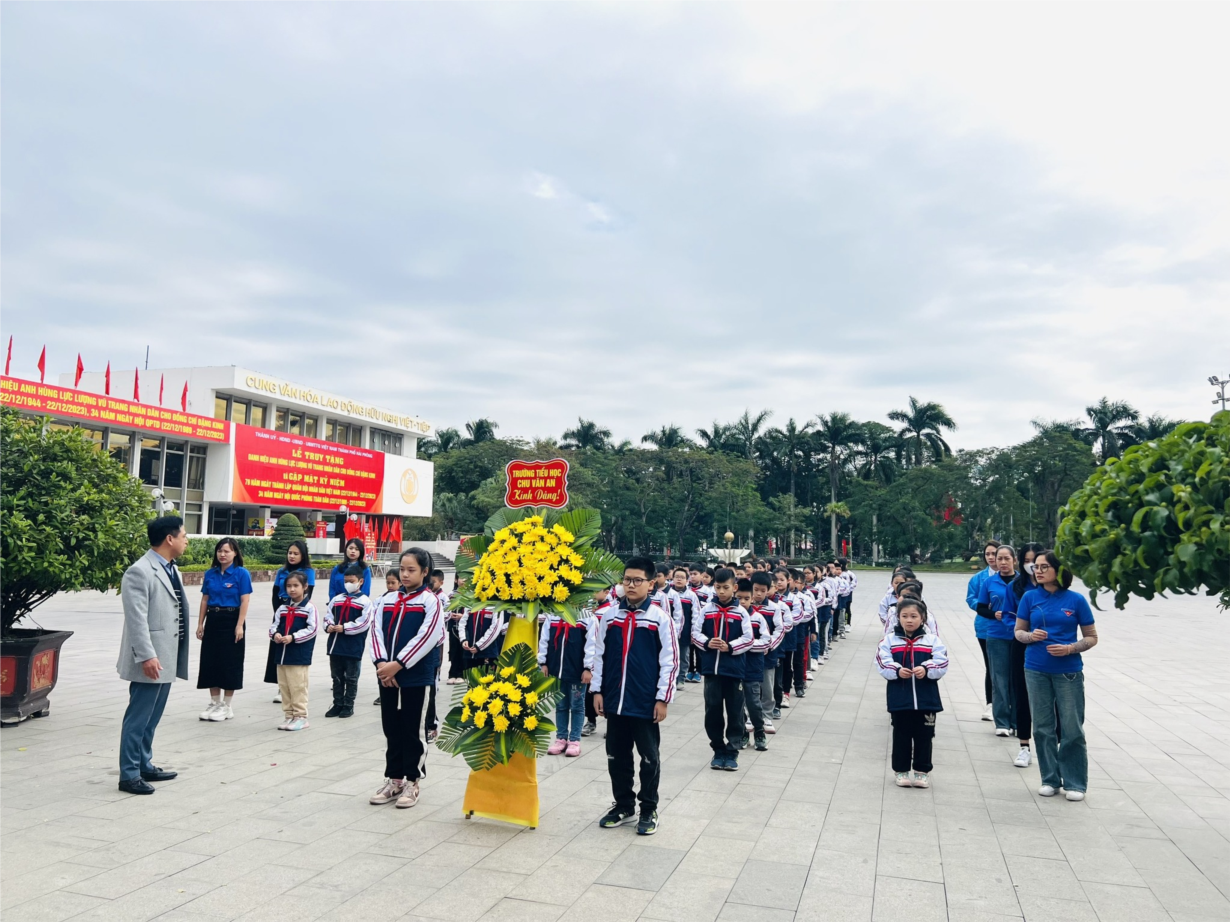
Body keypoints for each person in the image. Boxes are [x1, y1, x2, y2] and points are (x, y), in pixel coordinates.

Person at [593, 556, 678, 836]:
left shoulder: (659, 618)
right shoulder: (610, 616)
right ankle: (623, 805)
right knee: (616, 755)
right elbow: (599, 656)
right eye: (627, 579)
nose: (631, 585)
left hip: (645, 701)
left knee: (649, 757)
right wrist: (597, 691)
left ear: (651, 584)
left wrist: (662, 698)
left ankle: (649, 808)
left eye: (637, 580)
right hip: (615, 699)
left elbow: (670, 661)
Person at [1015, 550, 1098, 801]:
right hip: (1035, 669)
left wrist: (1070, 648)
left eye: (1044, 567)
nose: (1038, 571)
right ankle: (1049, 779)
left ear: (1059, 570)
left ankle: (1075, 782)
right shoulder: (1030, 597)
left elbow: (1091, 637)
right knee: (1042, 727)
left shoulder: (1076, 600)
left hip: (1068, 672)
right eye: (1036, 567)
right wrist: (1030, 637)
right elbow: (1019, 632)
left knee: (1072, 728)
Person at [116, 516, 190, 795]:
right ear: (170, 539)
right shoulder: (139, 571)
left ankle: (144, 764)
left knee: (152, 717)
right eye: (183, 535)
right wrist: (147, 656)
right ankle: (129, 774)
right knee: (138, 718)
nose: (186, 540)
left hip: (167, 655)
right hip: (150, 659)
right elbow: (136, 620)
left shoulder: (172, 569)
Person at [370, 547, 445, 809]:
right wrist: (382, 664)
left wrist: (398, 665)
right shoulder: (386, 600)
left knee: (413, 729)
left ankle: (413, 781)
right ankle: (394, 779)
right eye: (402, 569)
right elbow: (375, 631)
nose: (405, 574)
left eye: (411, 570)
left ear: (425, 572)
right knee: (391, 728)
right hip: (387, 675)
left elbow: (427, 637)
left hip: (416, 676)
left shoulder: (430, 602)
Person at [876, 597, 948, 789]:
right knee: (901, 735)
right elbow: (882, 662)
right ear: (898, 618)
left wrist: (926, 668)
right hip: (900, 698)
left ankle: (922, 772)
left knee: (925, 735)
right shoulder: (889, 640)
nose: (909, 620)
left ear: (923, 618)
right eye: (905, 616)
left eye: (914, 616)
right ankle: (901, 771)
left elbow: (942, 662)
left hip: (927, 699)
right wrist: (897, 670)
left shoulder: (932, 641)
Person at [692, 567, 753, 770]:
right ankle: (718, 750)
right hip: (711, 671)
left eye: (726, 587)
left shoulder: (741, 612)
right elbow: (695, 633)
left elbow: (748, 639)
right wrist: (707, 642)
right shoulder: (707, 610)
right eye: (718, 587)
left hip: (734, 671)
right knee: (713, 712)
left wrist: (731, 647)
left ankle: (733, 751)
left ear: (734, 588)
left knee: (735, 712)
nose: (721, 592)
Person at [195, 537, 252, 722]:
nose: (222, 554)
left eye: (227, 551)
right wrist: (200, 623)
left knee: (230, 661)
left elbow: (245, 600)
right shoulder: (210, 573)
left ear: (235, 553)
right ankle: (214, 702)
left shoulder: (241, 573)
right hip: (213, 619)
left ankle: (226, 706)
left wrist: (239, 625)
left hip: (232, 619)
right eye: (220, 550)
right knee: (210, 660)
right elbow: (205, 599)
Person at [539, 604, 596, 756]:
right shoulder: (553, 615)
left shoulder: (587, 617)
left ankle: (575, 740)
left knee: (577, 705)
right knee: (561, 706)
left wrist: (588, 668)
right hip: (555, 669)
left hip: (577, 671)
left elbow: (592, 644)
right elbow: (544, 640)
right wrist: (543, 663)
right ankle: (561, 738)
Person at [977, 545, 1022, 739]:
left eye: (1006, 558)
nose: (1002, 562)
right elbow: (980, 607)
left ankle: (1017, 721)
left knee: (1017, 679)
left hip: (1019, 636)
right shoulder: (989, 582)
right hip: (996, 636)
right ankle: (1002, 722)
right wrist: (993, 613)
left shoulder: (1023, 582)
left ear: (1014, 560)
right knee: (999, 679)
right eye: (999, 558)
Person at [1007, 543, 1044, 768]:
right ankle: (1024, 746)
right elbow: (1009, 616)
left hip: (1047, 645)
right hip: (1021, 644)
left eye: (1036, 561)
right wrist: (1023, 632)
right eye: (1027, 561)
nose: (1033, 566)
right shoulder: (1016, 586)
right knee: (1022, 694)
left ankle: (1054, 743)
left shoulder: (1053, 586)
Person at [267, 540, 315, 704]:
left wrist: (296, 608)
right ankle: (280, 686)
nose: (292, 556)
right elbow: (275, 593)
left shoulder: (308, 572)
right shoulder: (282, 571)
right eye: (290, 553)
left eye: (296, 553)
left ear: (303, 555)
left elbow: (308, 594)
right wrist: (279, 611)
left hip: (298, 611)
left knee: (292, 647)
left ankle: (292, 688)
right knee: (278, 647)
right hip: (282, 610)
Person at [269, 571, 318, 731]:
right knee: (284, 686)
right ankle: (289, 715)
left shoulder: (309, 608)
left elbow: (312, 629)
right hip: (281, 655)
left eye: (296, 585)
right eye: (289, 586)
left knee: (298, 686)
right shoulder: (282, 608)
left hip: (298, 655)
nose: (292, 589)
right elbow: (274, 626)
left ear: (305, 587)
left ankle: (301, 716)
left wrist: (293, 637)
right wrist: (275, 635)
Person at [324, 563, 373, 718]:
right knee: (336, 677)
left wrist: (345, 628)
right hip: (335, 644)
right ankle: (337, 704)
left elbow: (364, 623)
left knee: (351, 678)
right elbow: (328, 616)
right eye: (346, 581)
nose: (348, 584)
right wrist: (329, 626)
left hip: (353, 646)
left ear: (360, 581)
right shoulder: (337, 599)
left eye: (352, 581)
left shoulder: (365, 601)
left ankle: (348, 705)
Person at [966, 541, 1000, 722]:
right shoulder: (978, 578)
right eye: (988, 554)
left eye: (994, 554)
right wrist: (983, 606)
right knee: (991, 666)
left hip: (1009, 628)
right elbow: (971, 598)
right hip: (985, 627)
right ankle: (991, 703)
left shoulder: (1014, 578)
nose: (991, 557)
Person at [735, 578, 770, 751]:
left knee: (754, 702)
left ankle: (759, 732)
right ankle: (742, 733)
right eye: (739, 598)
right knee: (736, 704)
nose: (742, 602)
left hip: (752, 667)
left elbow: (766, 642)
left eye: (746, 598)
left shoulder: (758, 618)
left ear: (752, 599)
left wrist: (744, 644)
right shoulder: (732, 616)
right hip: (734, 668)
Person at [582, 586, 616, 737]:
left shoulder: (611, 611)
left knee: (607, 690)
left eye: (596, 590)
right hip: (590, 657)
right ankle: (590, 721)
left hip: (606, 656)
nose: (592, 593)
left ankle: (611, 724)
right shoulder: (586, 610)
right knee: (590, 691)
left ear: (607, 592)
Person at [375, 569, 401, 705]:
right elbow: (375, 626)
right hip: (384, 645)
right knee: (382, 671)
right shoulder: (380, 600)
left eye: (393, 583)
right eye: (388, 583)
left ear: (400, 583)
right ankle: (382, 693)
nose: (390, 586)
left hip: (398, 647)